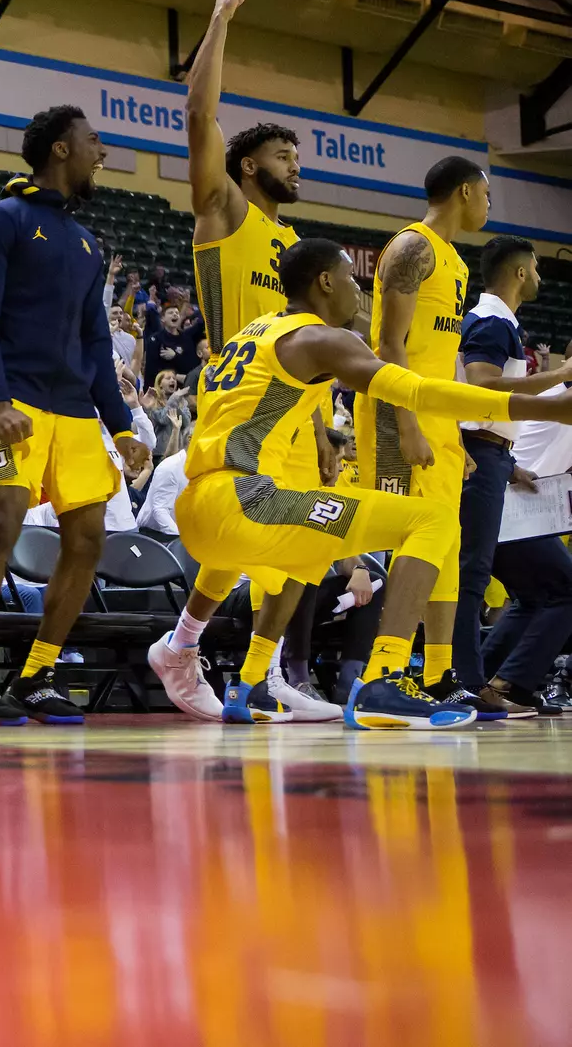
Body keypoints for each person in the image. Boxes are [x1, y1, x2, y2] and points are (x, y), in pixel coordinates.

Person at [150, 238, 572, 730]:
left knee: (306, 551)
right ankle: (382, 680)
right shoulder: (325, 339)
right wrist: (545, 405)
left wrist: (324, 438)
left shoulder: (253, 334)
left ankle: (244, 684)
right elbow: (415, 390)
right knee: (432, 518)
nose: (359, 291)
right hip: (242, 501)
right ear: (326, 282)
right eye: (352, 279)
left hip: (201, 509)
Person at [0, 104, 150, 726]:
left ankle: (38, 674)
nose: (101, 151)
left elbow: (94, 343)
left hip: (75, 412)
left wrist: (120, 427)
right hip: (13, 401)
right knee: (2, 523)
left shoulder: (89, 244)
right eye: (93, 141)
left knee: (88, 539)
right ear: (61, 149)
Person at [186, 0, 331, 489]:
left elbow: (306, 343)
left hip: (294, 409)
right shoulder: (225, 210)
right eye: (281, 157)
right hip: (238, 395)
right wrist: (220, 17)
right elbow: (200, 115)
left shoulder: (297, 245)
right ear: (248, 166)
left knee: (299, 560)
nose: (294, 166)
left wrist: (320, 432)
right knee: (235, 552)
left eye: (296, 159)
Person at [353, 154, 491, 707]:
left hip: (438, 416)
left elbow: (441, 356)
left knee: (446, 547)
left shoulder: (456, 263)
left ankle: (437, 674)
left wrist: (451, 431)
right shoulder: (413, 248)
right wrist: (408, 426)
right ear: (463, 192)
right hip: (396, 411)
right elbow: (389, 345)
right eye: (485, 194)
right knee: (413, 537)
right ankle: (383, 672)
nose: (488, 205)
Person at [452, 235, 572, 716]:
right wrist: (556, 375)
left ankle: (491, 679)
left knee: (526, 592)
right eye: (538, 268)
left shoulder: (500, 323)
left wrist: (513, 465)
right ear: (521, 272)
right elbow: (480, 388)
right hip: (485, 461)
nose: (542, 278)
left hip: (498, 463)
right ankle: (475, 683)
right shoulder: (494, 320)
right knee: (474, 581)